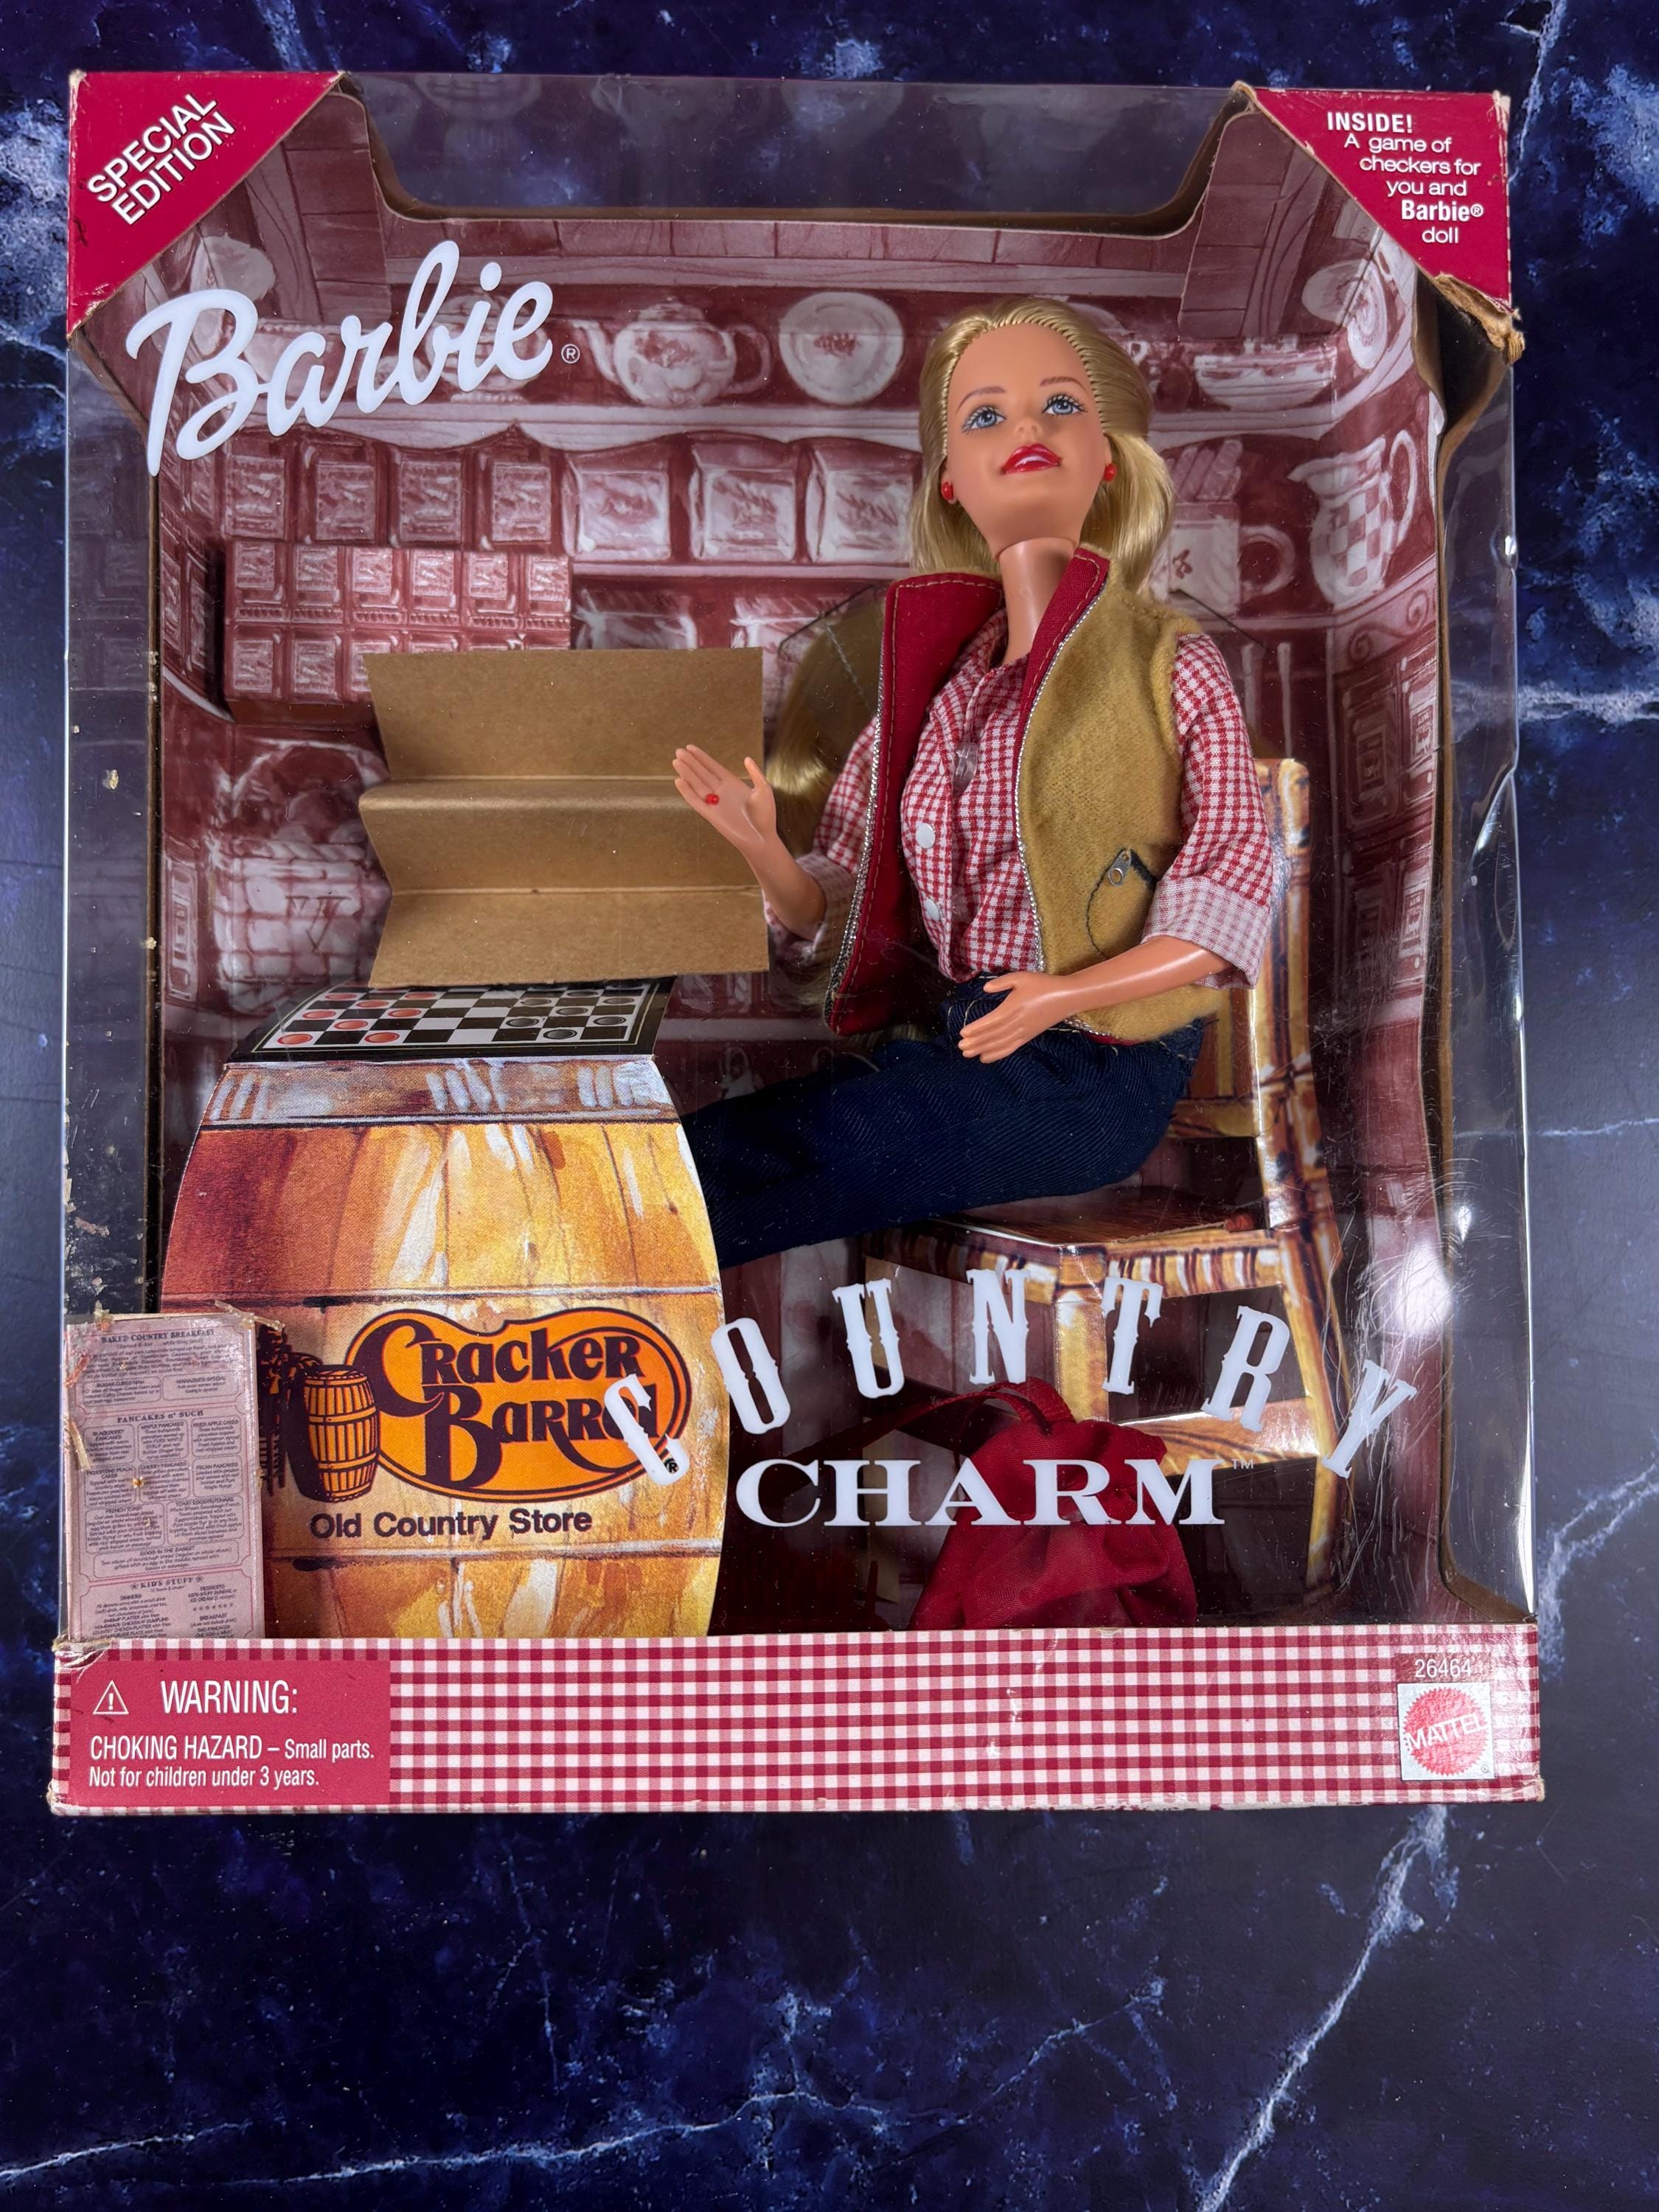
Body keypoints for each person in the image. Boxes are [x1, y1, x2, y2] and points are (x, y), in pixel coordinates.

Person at [672, 296, 1274, 1270]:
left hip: (1098, 1070)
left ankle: (611, 1260)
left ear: (1107, 458)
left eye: (1060, 405)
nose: (1025, 428)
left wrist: (1059, 997)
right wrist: (761, 848)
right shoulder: (938, 690)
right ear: (950, 478)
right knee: (732, 1142)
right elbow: (843, 902)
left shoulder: (1165, 661)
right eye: (985, 415)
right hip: (963, 1040)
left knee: (823, 1146)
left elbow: (1229, 892)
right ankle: (593, 1263)